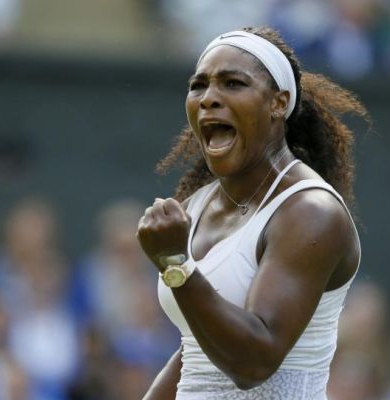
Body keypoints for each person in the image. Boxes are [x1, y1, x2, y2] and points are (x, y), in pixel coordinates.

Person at [136, 26, 369, 399]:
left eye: (232, 83)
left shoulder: (310, 212)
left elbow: (254, 362)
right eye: (199, 86)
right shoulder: (197, 205)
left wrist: (176, 262)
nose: (209, 98)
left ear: (279, 102)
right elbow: (199, 350)